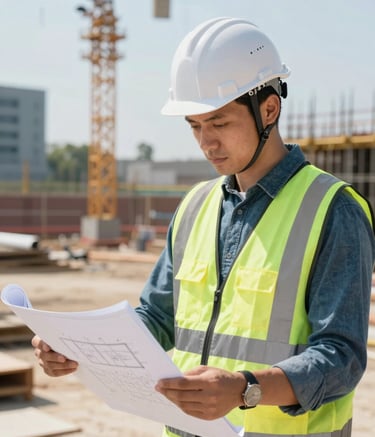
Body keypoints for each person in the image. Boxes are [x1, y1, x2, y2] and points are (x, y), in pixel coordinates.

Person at [32, 17, 375, 437]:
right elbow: (157, 318)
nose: (205, 143)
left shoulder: (333, 209)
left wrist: (245, 389)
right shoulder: (195, 205)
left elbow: (341, 357)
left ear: (269, 109)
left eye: (219, 123)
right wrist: (80, 349)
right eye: (194, 126)